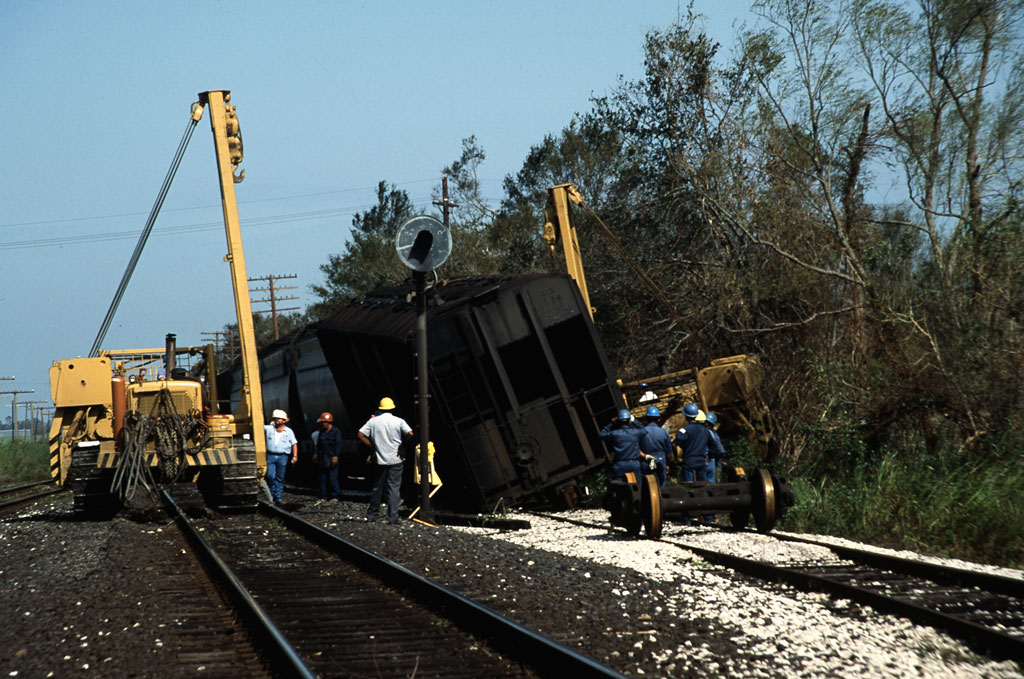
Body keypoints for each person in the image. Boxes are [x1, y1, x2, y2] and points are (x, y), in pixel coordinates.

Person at [358, 397, 413, 524]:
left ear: (380, 408)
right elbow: (410, 433)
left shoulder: (373, 422)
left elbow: (360, 434)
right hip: (396, 459)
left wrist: (372, 446)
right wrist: (402, 444)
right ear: (392, 408)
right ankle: (392, 517)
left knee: (377, 487)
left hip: (379, 459)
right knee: (394, 488)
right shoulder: (399, 421)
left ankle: (372, 515)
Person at [599, 408, 653, 482]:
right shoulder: (635, 433)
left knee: (619, 487)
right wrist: (635, 421)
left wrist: (611, 423)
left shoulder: (615, 434)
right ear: (629, 421)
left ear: (618, 421)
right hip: (634, 464)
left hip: (619, 465)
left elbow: (602, 434)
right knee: (638, 488)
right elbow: (644, 430)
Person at [264, 408, 298, 505]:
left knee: (280, 477)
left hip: (283, 456)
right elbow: (258, 426)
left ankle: (278, 498)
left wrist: (295, 456)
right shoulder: (269, 429)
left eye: (279, 419)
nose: (277, 420)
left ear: (284, 420)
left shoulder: (289, 432)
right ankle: (271, 496)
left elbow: (294, 443)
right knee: (270, 476)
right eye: (276, 418)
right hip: (270, 455)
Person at [673, 403, 710, 484]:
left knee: (688, 487)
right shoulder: (705, 430)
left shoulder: (684, 430)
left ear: (686, 416)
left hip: (688, 461)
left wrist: (676, 458)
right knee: (703, 486)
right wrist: (708, 459)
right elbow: (712, 445)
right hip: (701, 461)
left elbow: (675, 444)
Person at [639, 405, 671, 487]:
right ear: (658, 419)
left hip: (646, 463)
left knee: (648, 488)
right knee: (661, 489)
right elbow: (669, 453)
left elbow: (637, 449)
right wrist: (667, 464)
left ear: (647, 418)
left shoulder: (641, 432)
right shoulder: (664, 432)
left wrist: (645, 456)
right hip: (661, 462)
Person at [313, 411, 342, 501]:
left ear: (328, 422)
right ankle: (323, 496)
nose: (322, 424)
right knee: (322, 478)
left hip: (332, 457)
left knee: (333, 478)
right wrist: (316, 453)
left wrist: (336, 456)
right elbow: (318, 445)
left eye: (323, 422)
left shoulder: (336, 431)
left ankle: (335, 496)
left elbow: (338, 444)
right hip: (323, 457)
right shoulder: (322, 432)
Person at [703, 411, 726, 484]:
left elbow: (720, 450)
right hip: (714, 463)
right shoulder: (713, 434)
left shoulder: (705, 433)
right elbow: (721, 450)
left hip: (709, 462)